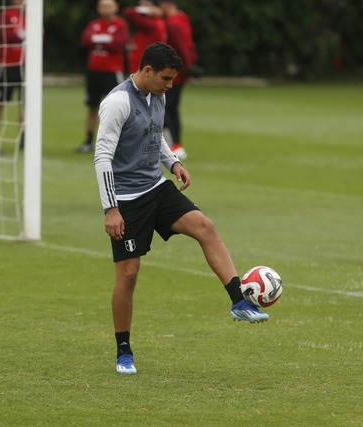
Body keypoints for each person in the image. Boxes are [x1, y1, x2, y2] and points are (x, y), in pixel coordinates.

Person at [93, 43, 269, 375]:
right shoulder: (116, 103)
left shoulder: (157, 95)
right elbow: (102, 157)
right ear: (147, 71)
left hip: (157, 188)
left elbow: (155, 134)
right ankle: (123, 351)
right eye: (165, 78)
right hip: (127, 200)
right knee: (128, 276)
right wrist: (110, 209)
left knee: (206, 227)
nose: (170, 85)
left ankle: (239, 301)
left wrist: (173, 163)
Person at [76, 0, 129, 154]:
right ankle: (88, 141)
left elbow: (117, 44)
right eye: (103, 6)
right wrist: (105, 39)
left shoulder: (120, 25)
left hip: (112, 72)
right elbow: (85, 40)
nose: (105, 9)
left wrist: (98, 39)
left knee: (117, 107)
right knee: (92, 106)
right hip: (94, 71)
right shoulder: (94, 24)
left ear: (116, 8)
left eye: (109, 6)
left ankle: (119, 143)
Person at [0, 0, 26, 153]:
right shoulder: (6, 15)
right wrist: (22, 35)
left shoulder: (30, 17)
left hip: (26, 66)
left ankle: (25, 138)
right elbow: (8, 35)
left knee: (25, 103)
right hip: (7, 66)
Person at [159, 0, 196, 159]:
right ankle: (177, 143)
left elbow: (180, 48)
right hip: (180, 73)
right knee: (173, 109)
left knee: (165, 109)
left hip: (173, 74)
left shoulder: (172, 24)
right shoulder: (183, 18)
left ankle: (173, 145)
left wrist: (187, 68)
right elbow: (190, 46)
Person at [122, 0, 166, 73]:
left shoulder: (152, 23)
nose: (142, 6)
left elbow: (128, 13)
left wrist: (145, 10)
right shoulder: (154, 21)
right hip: (145, 64)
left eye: (145, 4)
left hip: (144, 65)